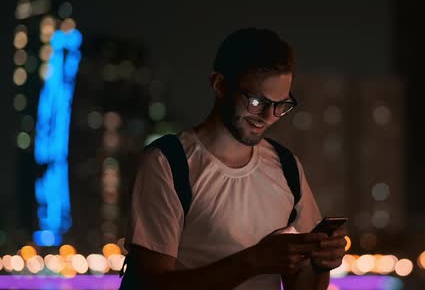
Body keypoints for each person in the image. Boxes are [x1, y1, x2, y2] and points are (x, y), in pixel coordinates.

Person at [123, 28, 347, 289]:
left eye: (281, 105)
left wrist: (321, 262)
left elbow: (304, 285)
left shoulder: (286, 166)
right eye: (256, 101)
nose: (267, 116)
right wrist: (253, 261)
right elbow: (151, 285)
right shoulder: (168, 163)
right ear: (219, 85)